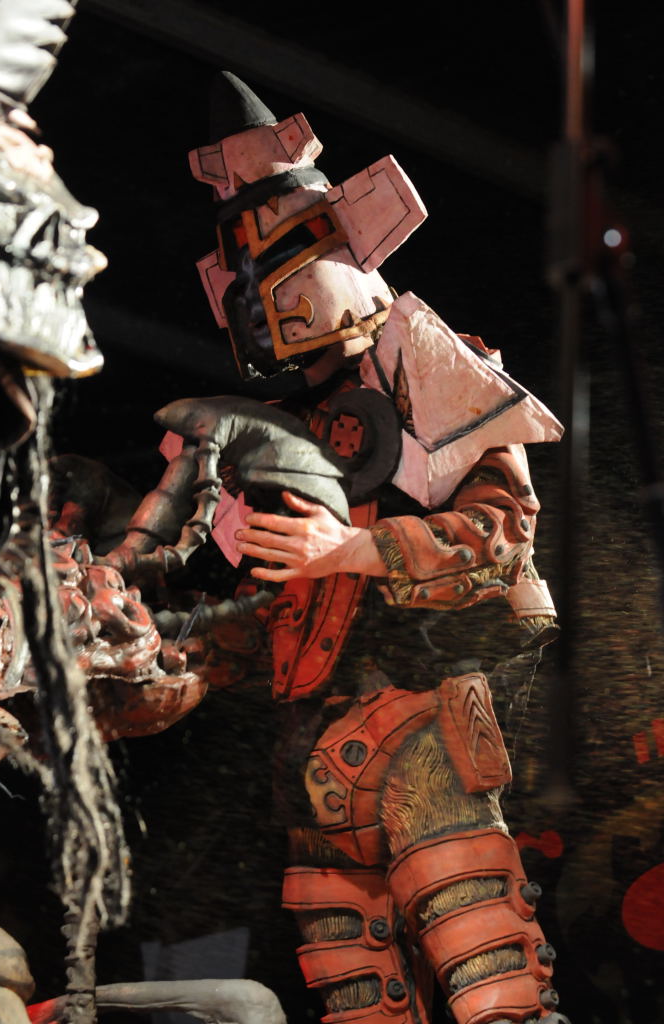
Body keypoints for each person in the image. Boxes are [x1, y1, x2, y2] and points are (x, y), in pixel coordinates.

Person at [187, 71, 570, 1024]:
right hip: (310, 778)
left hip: (422, 736)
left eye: (276, 257)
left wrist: (351, 552)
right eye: (243, 271)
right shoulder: (263, 441)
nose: (256, 294)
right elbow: (251, 631)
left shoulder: (427, 366)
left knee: (497, 999)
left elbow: (500, 540)